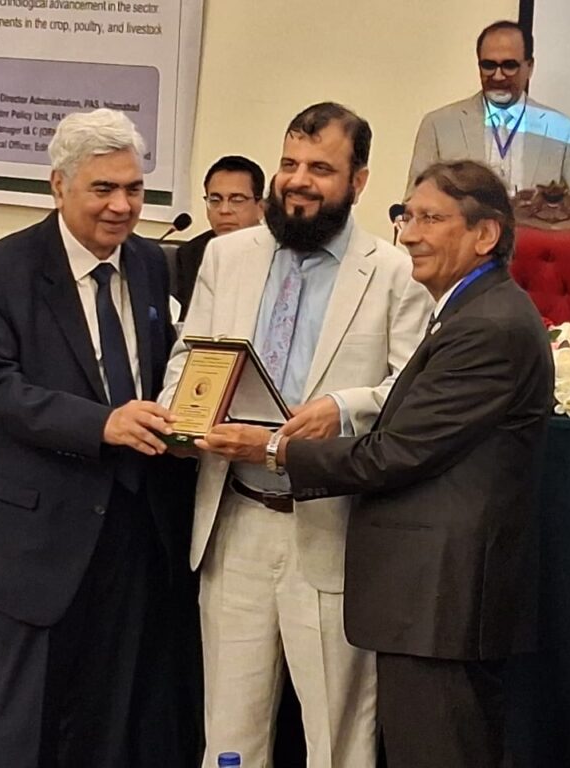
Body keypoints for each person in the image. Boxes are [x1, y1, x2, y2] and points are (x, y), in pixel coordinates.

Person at [199, 159, 554, 768]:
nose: (409, 234)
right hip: (429, 602)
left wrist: (271, 449)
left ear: (485, 235)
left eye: (430, 219)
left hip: (443, 603)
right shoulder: (469, 310)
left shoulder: (489, 325)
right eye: (406, 217)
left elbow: (395, 452)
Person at [159, 102, 431, 768]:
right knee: (229, 736)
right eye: (289, 163)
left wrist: (340, 407)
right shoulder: (226, 257)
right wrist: (179, 419)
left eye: (320, 168)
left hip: (331, 531)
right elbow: (188, 362)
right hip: (235, 520)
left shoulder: (394, 272)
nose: (298, 180)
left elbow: (408, 392)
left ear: (358, 181)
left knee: (338, 743)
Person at [0, 109, 184, 767]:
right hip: (35, 537)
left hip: (133, 529)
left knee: (110, 719)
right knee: (30, 727)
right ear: (59, 185)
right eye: (103, 189)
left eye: (133, 188)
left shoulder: (150, 263)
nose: (122, 206)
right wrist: (100, 424)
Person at [405, 20, 570, 195]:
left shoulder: (561, 131)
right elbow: (414, 202)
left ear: (530, 67)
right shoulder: (439, 125)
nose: (498, 76)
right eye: (489, 66)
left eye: (509, 66)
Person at [175, 155, 266, 320]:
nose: (224, 210)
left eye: (237, 200)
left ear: (261, 207)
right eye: (215, 200)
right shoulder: (190, 254)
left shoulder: (275, 253)